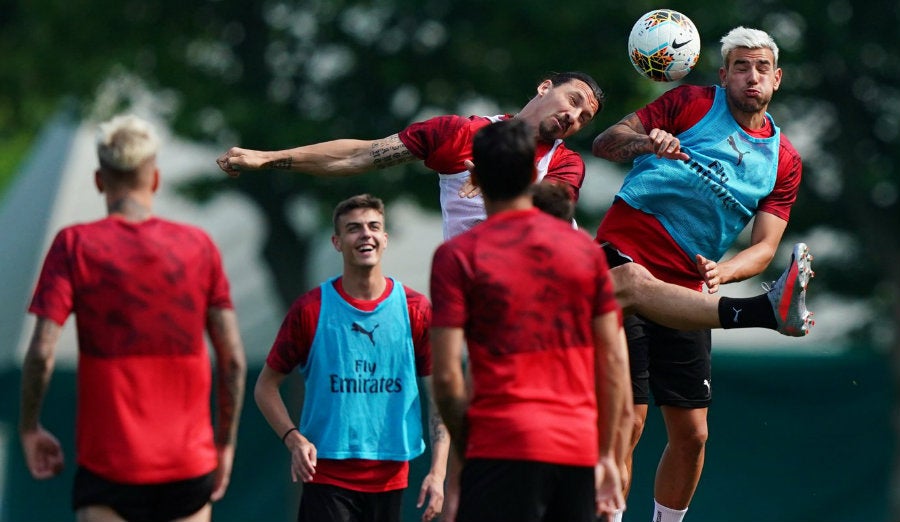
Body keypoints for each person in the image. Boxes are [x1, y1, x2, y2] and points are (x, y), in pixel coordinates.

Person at [591, 27, 806, 522]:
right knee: (630, 420)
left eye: (760, 68)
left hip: (686, 292)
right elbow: (607, 141)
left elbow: (765, 248)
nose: (751, 76)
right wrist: (648, 142)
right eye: (740, 67)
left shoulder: (785, 161)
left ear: (777, 78)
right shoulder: (687, 102)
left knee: (692, 436)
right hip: (621, 262)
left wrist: (726, 271)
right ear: (723, 74)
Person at [19, 114, 247, 522]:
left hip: (110, 464)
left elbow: (40, 352)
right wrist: (225, 446)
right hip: (188, 464)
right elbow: (232, 359)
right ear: (155, 179)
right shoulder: (199, 247)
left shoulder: (75, 245)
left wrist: (30, 427)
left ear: (99, 180)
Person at [429, 118, 632, 522]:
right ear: (532, 175)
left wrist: (470, 450)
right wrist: (608, 454)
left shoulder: (458, 256)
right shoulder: (585, 252)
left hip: (499, 444)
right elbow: (612, 362)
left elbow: (448, 376)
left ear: (474, 174)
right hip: (576, 447)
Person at [216, 71, 604, 240]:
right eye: (572, 101)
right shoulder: (457, 134)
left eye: (583, 118)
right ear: (544, 87)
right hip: (477, 287)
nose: (573, 117)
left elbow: (551, 220)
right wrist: (267, 158)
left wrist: (501, 184)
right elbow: (359, 156)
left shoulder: (566, 163)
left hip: (550, 288)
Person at [254, 194, 449, 522]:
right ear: (337, 241)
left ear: (385, 239)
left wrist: (438, 473)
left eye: (374, 227)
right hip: (327, 477)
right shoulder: (311, 309)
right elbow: (265, 386)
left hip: (391, 477)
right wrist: (293, 439)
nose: (365, 235)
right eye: (353, 229)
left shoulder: (415, 310)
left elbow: (440, 396)